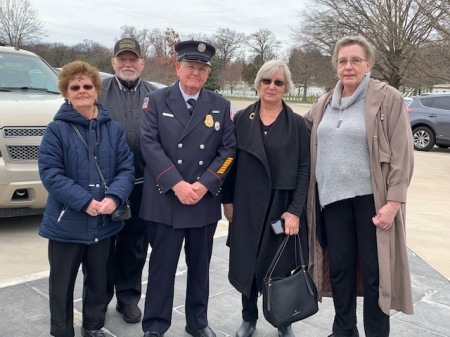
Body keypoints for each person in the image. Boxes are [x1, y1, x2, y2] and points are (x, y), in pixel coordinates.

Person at [304, 36, 414, 337]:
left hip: (371, 202)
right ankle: (344, 330)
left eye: (355, 60)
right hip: (332, 200)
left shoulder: (387, 98)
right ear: (336, 66)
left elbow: (402, 154)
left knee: (376, 274)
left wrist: (393, 202)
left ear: (368, 64)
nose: (348, 66)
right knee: (340, 271)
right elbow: (303, 131)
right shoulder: (325, 101)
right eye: (342, 61)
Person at [139, 40, 236, 337]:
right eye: (190, 66)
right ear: (178, 67)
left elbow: (228, 151)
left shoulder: (219, 105)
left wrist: (205, 185)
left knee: (200, 270)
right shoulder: (156, 99)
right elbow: (149, 145)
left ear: (207, 74)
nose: (195, 72)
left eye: (202, 68)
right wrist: (177, 184)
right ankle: (155, 325)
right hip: (165, 197)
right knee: (161, 268)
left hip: (202, 201)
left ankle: (197, 322)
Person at [38, 61, 135, 337]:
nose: (82, 90)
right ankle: (62, 331)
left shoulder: (113, 130)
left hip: (104, 222)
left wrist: (114, 198)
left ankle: (93, 326)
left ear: (96, 90)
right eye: (75, 87)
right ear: (66, 93)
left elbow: (126, 169)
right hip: (67, 222)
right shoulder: (56, 130)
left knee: (99, 281)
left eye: (87, 86)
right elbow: (51, 174)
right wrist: (85, 202)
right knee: (62, 285)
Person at [222, 60, 311, 337]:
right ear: (258, 84)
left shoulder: (296, 124)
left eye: (278, 82)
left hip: (281, 207)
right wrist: (227, 201)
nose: (271, 86)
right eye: (266, 81)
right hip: (246, 203)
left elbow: (304, 168)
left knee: (281, 265)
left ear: (286, 88)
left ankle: (284, 319)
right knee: (247, 263)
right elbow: (228, 163)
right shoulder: (241, 119)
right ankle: (249, 318)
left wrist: (295, 211)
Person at [98, 37, 156, 324]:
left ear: (142, 63)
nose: (128, 64)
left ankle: (128, 297)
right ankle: (99, 299)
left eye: (133, 59)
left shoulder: (155, 95)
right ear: (113, 63)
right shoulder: (97, 92)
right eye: (122, 59)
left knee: (135, 245)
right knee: (103, 246)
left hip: (142, 185)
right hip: (105, 186)